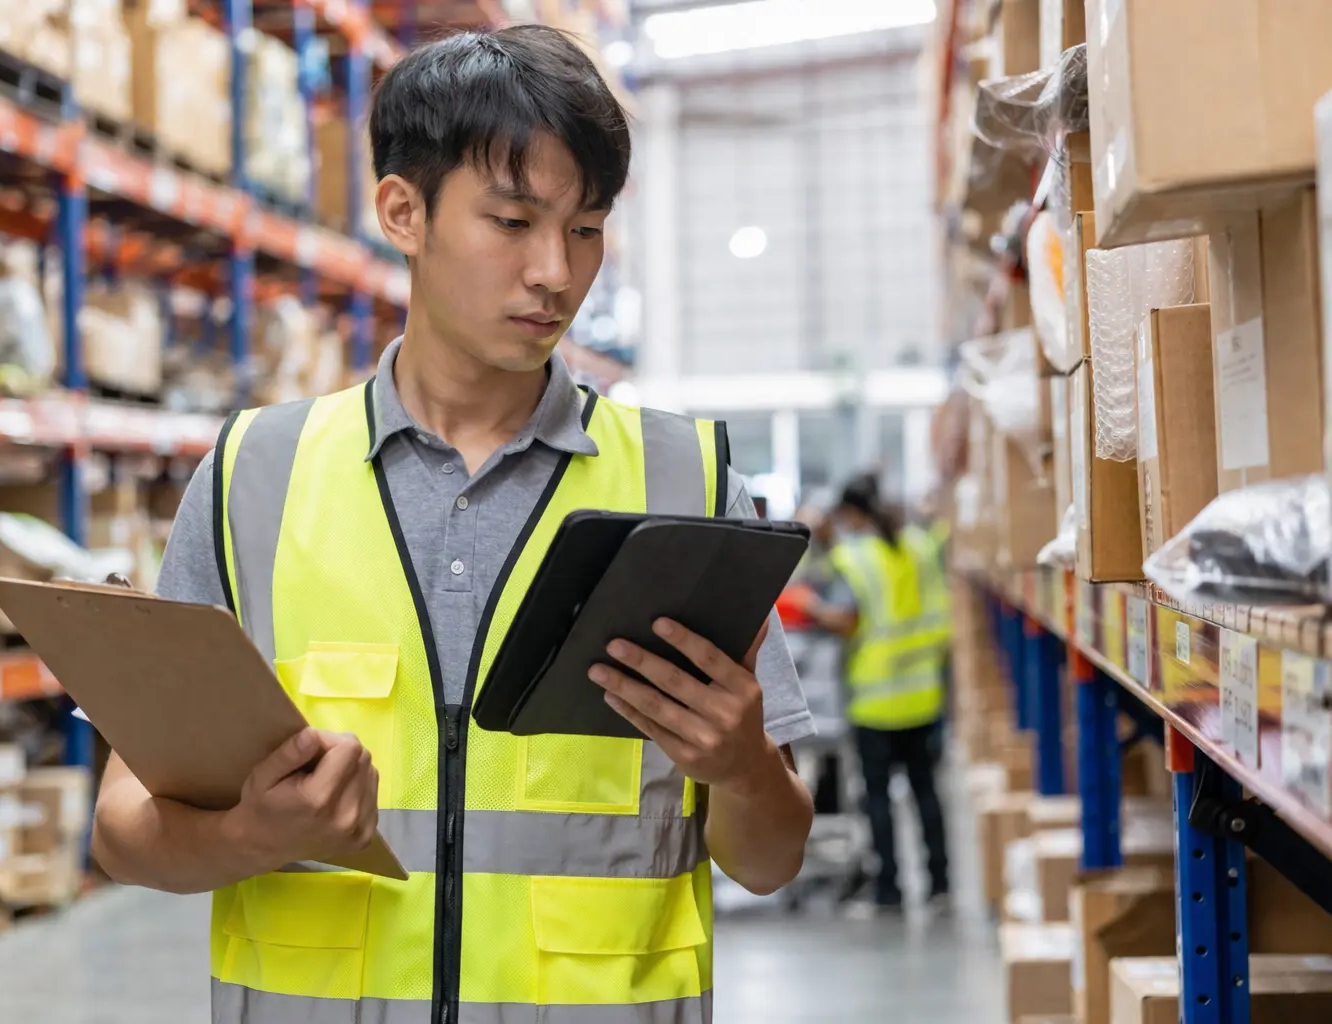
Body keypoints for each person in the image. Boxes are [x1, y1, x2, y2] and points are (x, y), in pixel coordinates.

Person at [90, 25, 817, 1024]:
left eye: (587, 227)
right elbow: (124, 826)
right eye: (513, 221)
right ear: (404, 211)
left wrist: (740, 767)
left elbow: (772, 859)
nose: (555, 273)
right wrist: (251, 835)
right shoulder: (254, 478)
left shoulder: (683, 482)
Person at [800, 474, 951, 913]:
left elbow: (846, 620)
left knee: (878, 797)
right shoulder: (919, 546)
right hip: (923, 692)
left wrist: (811, 607)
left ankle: (890, 890)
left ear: (851, 515)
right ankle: (941, 885)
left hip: (876, 699)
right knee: (926, 792)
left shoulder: (853, 557)